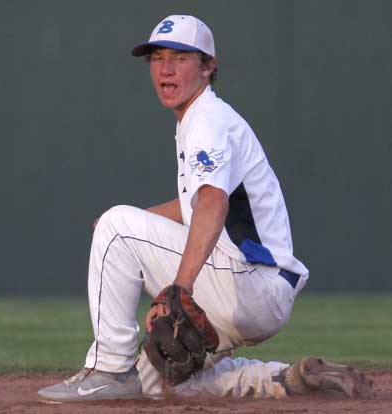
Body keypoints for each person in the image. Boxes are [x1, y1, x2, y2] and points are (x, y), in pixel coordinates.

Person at [38, 15, 372, 402]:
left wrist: (179, 286)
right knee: (160, 384)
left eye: (180, 57)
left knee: (117, 226)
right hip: (258, 289)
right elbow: (192, 206)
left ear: (209, 66)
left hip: (248, 282)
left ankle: (109, 368)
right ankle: (286, 380)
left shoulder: (208, 121)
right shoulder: (202, 119)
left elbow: (213, 201)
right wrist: (129, 225)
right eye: (157, 57)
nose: (165, 67)